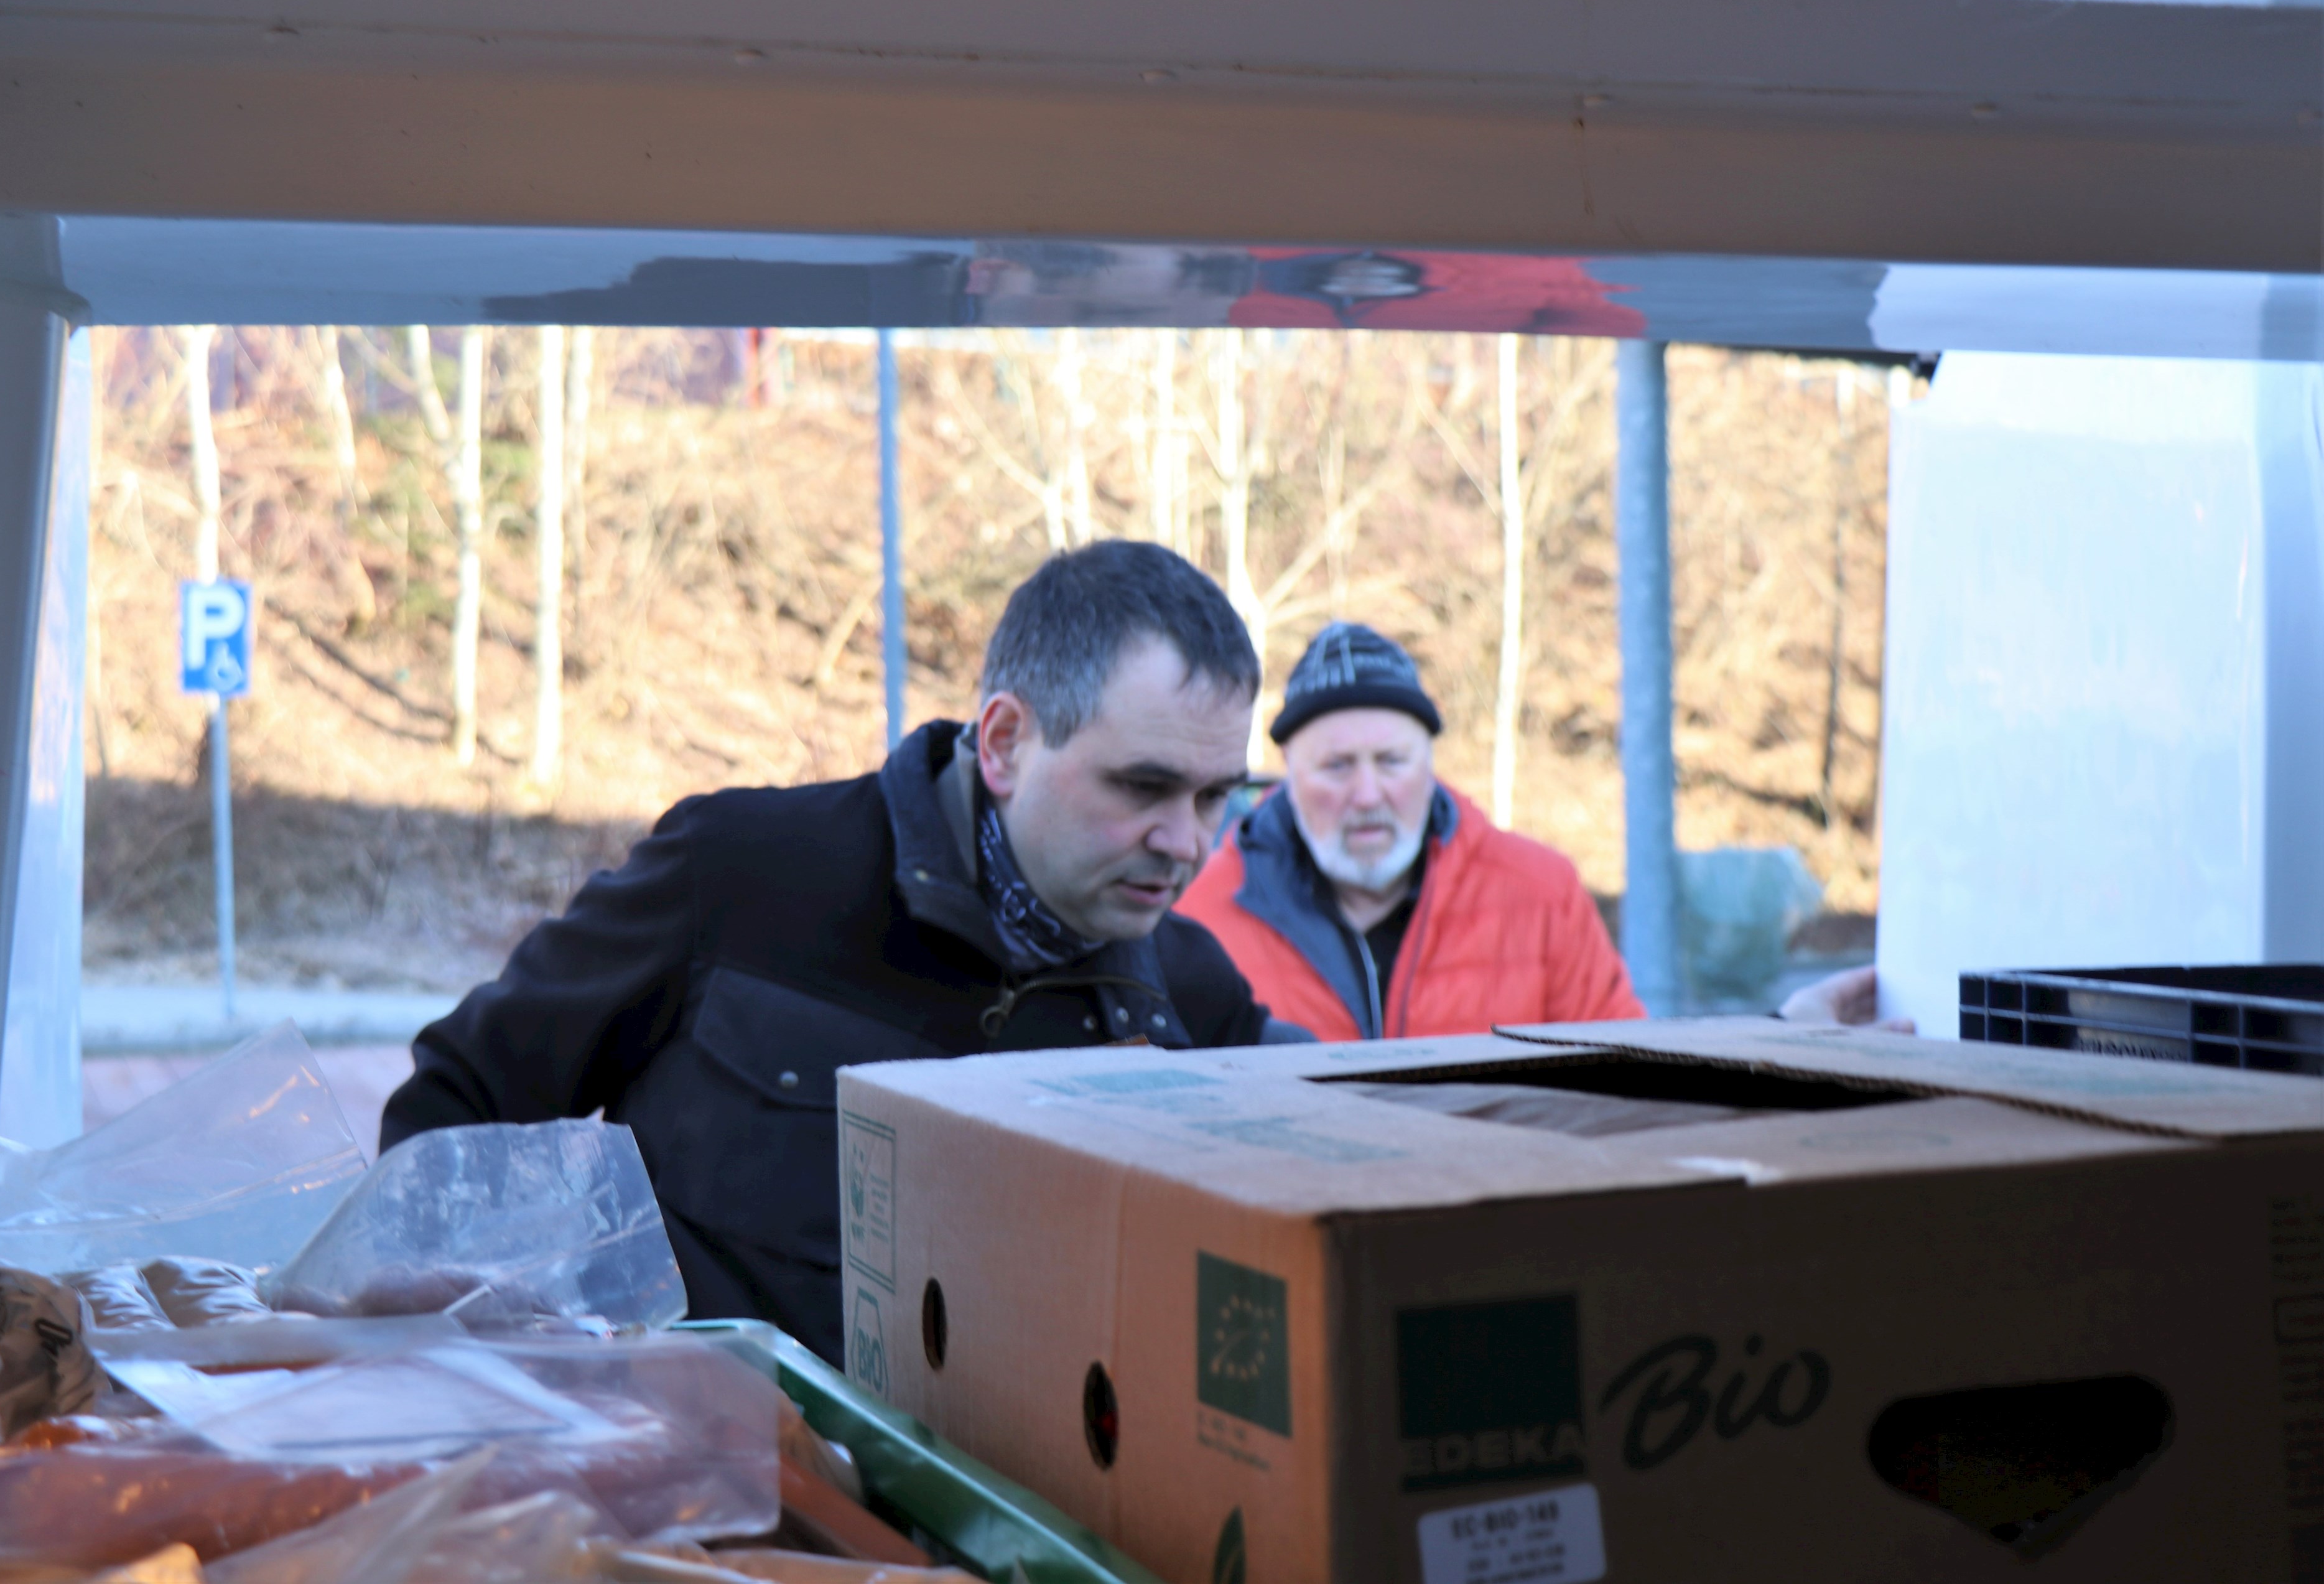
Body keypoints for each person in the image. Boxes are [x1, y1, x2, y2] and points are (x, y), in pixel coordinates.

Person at [381, 541, 1295, 1363]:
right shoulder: (737, 872)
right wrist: (502, 1390)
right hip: (697, 1513)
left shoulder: (1193, 1002)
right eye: (1145, 786)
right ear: (1007, 742)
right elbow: (457, 1109)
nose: (1187, 842)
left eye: (1218, 797)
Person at [1177, 622, 1643, 1041]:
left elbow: (1627, 1076)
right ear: (1290, 777)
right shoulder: (1196, 914)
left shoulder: (1543, 893)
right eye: (1337, 767)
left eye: (1392, 762)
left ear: (1429, 765)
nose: (1367, 795)